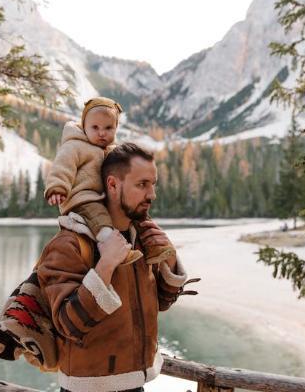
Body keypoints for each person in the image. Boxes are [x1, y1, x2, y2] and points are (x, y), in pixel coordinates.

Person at [37, 143, 190, 392]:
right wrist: (106, 265)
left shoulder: (140, 237)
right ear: (112, 185)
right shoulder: (70, 243)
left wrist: (169, 260)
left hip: (135, 384)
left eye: (153, 184)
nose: (152, 194)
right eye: (142, 184)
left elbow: (159, 304)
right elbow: (68, 324)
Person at [44, 97, 173, 265]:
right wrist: (58, 188)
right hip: (83, 198)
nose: (102, 133)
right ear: (84, 127)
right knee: (100, 218)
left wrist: (172, 262)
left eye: (108, 128)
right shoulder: (75, 146)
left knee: (142, 217)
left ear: (116, 128)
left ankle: (155, 249)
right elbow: (62, 167)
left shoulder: (113, 151)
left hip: (101, 197)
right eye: (95, 127)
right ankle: (112, 246)